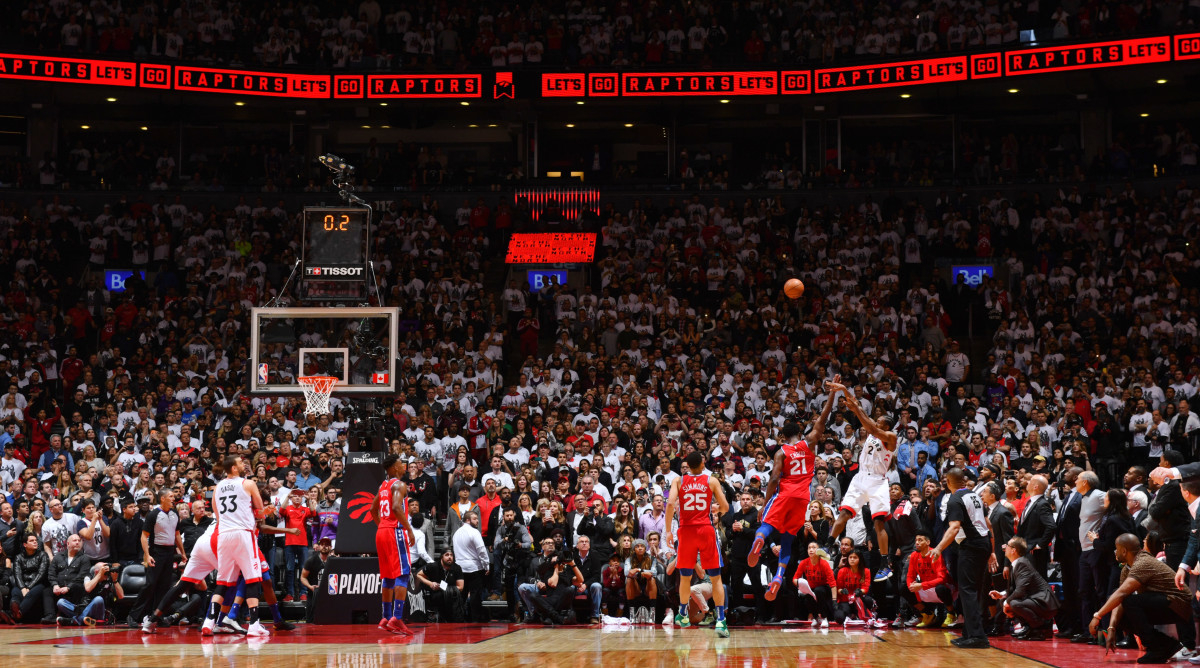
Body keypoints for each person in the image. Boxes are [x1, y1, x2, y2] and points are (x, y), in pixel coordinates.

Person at [749, 380, 840, 600]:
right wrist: (832, 395)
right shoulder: (809, 442)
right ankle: (779, 577)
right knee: (788, 539)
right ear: (800, 432)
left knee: (767, 525)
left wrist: (765, 503)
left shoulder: (781, 452)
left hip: (785, 494)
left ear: (783, 436)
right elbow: (823, 417)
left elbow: (773, 479)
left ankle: (758, 542)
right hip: (803, 499)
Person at [825, 380, 899, 582]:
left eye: (879, 420)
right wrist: (845, 392)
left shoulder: (890, 436)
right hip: (861, 477)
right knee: (844, 513)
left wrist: (857, 410)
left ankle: (885, 563)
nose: (875, 421)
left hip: (877, 481)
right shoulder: (872, 431)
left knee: (878, 521)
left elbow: (870, 425)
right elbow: (859, 411)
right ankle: (829, 544)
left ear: (886, 424)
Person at [1090, 533, 1194, 663]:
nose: (1115, 552)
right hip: (1166, 602)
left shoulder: (1142, 562)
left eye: (1116, 548)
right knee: (1121, 614)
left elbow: (1122, 594)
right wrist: (1112, 627)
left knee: (1129, 601)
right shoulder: (1127, 568)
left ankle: (1156, 648)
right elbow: (1119, 598)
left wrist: (1097, 616)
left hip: (1180, 604)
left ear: (1124, 551)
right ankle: (1166, 645)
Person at [665, 450, 730, 637]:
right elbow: (725, 507)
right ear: (702, 464)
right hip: (706, 530)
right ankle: (720, 621)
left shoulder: (679, 481)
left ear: (687, 466)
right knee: (716, 578)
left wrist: (669, 531)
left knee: (685, 577)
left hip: (686, 531)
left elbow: (670, 504)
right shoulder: (711, 480)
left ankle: (683, 614)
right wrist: (718, 510)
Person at [929, 467, 996, 649]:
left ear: (948, 482)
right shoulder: (974, 495)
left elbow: (954, 527)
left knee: (968, 591)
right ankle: (969, 633)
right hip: (982, 544)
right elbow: (988, 524)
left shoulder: (955, 500)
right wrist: (991, 551)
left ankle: (977, 636)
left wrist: (938, 548)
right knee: (973, 590)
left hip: (972, 546)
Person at [201, 454, 267, 637]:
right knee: (252, 578)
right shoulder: (248, 484)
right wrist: (258, 515)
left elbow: (216, 512)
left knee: (223, 582)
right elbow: (261, 511)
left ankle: (209, 621)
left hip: (224, 535)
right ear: (234, 468)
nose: (244, 463)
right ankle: (254, 625)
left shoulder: (218, 487)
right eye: (240, 462)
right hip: (243, 534)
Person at [372, 454, 416, 634]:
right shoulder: (399, 484)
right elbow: (397, 508)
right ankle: (397, 618)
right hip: (394, 531)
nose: (403, 466)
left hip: (381, 531)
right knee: (403, 573)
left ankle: (385, 617)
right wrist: (409, 530)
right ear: (394, 468)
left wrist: (382, 525)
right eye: (401, 464)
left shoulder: (383, 486)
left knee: (388, 576)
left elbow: (372, 510)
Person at [130, 490, 185, 630]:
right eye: (171, 496)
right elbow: (143, 536)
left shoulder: (174, 513)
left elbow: (177, 535)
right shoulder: (154, 514)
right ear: (163, 498)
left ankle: (157, 616)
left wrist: (182, 553)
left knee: (164, 586)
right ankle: (133, 616)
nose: (174, 498)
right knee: (150, 585)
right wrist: (147, 555)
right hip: (156, 552)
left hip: (170, 553)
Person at [989, 537, 1058, 640]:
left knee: (1013, 603)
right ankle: (1029, 627)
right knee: (1006, 600)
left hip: (1044, 602)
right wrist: (1002, 594)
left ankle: (1040, 629)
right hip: (1036, 600)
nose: (1004, 547)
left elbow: (1020, 591)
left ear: (1014, 550)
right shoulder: (1017, 563)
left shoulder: (1022, 563)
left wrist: (1006, 603)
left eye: (1007, 545)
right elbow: (1016, 589)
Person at [904, 530, 955, 628]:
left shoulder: (935, 554)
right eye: (916, 540)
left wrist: (921, 585)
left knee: (940, 588)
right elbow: (910, 576)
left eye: (920, 540)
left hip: (944, 587)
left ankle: (951, 614)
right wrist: (912, 586)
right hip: (926, 587)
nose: (917, 543)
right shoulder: (914, 555)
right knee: (905, 588)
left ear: (928, 542)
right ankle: (928, 614)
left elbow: (942, 579)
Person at [451, 509, 489, 622]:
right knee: (475, 595)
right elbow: (481, 550)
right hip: (474, 567)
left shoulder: (456, 533)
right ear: (467, 520)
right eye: (475, 519)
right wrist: (486, 565)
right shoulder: (474, 532)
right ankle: (475, 619)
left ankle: (460, 618)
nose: (477, 521)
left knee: (462, 595)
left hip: (459, 567)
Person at [1015, 475, 1056, 577]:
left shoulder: (1042, 504)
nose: (1027, 483)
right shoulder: (1031, 501)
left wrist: (1040, 545)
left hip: (1035, 552)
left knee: (1036, 584)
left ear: (1035, 487)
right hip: (1026, 549)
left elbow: (1051, 526)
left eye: (1030, 481)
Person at [792, 541, 834, 626]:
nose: (811, 550)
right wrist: (800, 583)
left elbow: (832, 582)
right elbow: (795, 578)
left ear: (818, 550)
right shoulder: (803, 562)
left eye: (814, 547)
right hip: (811, 588)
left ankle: (824, 618)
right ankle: (816, 618)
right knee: (807, 595)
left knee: (819, 590)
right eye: (809, 548)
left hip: (824, 588)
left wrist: (835, 599)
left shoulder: (824, 563)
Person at [416, 550, 464, 622]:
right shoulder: (433, 566)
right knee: (437, 596)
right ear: (441, 557)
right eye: (447, 555)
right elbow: (418, 575)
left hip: (451, 597)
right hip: (436, 595)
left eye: (451, 555)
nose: (449, 557)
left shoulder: (457, 568)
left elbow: (460, 587)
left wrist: (444, 588)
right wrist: (430, 583)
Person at [300, 538, 334, 623]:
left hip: (330, 596)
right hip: (314, 594)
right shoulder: (311, 561)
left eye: (327, 545)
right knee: (310, 621)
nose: (324, 547)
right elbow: (303, 577)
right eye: (322, 544)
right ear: (318, 547)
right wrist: (310, 587)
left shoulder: (335, 561)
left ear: (331, 547)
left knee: (331, 622)